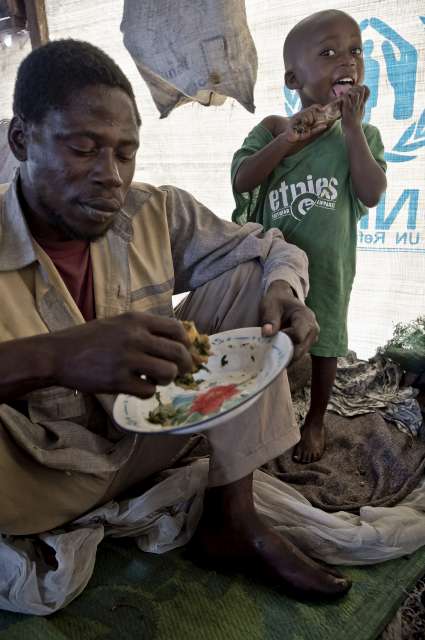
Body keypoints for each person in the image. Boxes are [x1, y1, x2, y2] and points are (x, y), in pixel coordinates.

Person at [0, 39, 351, 602]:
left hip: (151, 444)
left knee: (250, 273)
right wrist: (56, 356)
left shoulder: (152, 210)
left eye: (124, 152)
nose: (110, 176)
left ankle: (231, 519)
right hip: (41, 484)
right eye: (84, 148)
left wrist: (285, 291)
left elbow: (271, 247)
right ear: (22, 140)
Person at [231, 9, 387, 464]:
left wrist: (353, 128)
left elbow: (372, 192)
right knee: (266, 334)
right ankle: (260, 412)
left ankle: (315, 419)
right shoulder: (274, 129)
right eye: (329, 52)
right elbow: (243, 179)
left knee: (327, 342)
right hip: (273, 265)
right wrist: (289, 141)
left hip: (329, 263)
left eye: (356, 50)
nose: (348, 60)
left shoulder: (363, 135)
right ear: (294, 77)